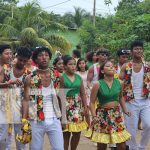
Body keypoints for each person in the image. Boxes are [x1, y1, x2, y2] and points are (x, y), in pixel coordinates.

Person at [22, 46, 64, 150]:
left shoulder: (58, 76)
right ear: (35, 60)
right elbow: (26, 100)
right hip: (35, 120)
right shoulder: (30, 78)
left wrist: (64, 118)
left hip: (54, 118)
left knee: (59, 148)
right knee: (35, 148)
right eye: (40, 55)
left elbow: (61, 97)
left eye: (46, 55)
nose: (44, 58)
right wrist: (24, 120)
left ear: (49, 58)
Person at [90, 60, 131, 150]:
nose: (111, 67)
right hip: (102, 115)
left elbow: (120, 97)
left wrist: (125, 110)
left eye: (112, 66)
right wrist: (93, 116)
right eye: (108, 66)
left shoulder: (120, 83)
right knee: (102, 143)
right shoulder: (97, 84)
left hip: (116, 114)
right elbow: (92, 102)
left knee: (121, 142)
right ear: (102, 71)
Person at [119, 40, 150, 150]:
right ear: (132, 51)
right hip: (130, 101)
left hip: (146, 100)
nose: (139, 50)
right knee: (131, 128)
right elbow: (119, 82)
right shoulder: (126, 66)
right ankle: (133, 148)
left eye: (140, 49)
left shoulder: (147, 65)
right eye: (136, 49)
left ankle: (142, 147)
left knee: (148, 125)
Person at [5, 46, 32, 150]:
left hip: (21, 108)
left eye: (25, 61)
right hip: (5, 107)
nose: (22, 62)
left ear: (28, 60)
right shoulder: (6, 69)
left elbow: (28, 96)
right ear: (16, 56)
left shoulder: (29, 75)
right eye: (20, 60)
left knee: (21, 140)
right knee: (5, 138)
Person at [60, 56, 88, 150]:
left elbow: (83, 93)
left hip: (77, 106)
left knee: (77, 132)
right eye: (70, 64)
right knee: (66, 133)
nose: (73, 66)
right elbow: (60, 95)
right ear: (65, 66)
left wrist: (85, 107)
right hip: (65, 106)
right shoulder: (61, 77)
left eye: (74, 64)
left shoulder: (78, 77)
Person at [0, 44, 12, 150]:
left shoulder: (7, 68)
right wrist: (7, 84)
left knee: (4, 132)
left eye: (10, 53)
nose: (9, 56)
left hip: (5, 103)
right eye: (6, 53)